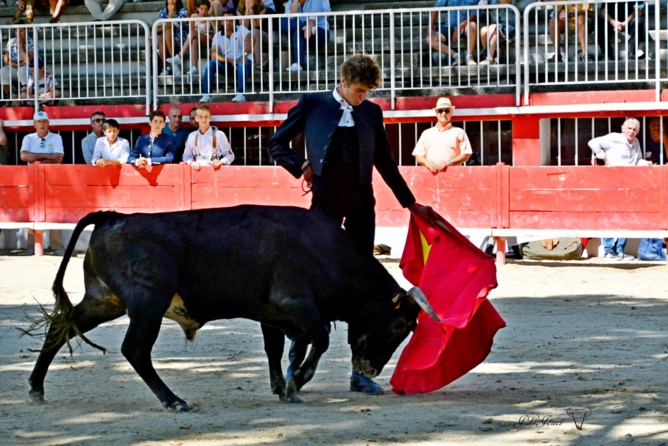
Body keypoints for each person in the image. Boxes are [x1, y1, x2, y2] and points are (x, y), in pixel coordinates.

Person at [266, 53, 440, 396]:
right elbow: (275, 144)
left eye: (368, 91)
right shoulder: (312, 103)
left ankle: (358, 373)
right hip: (324, 204)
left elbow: (386, 163)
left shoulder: (372, 112)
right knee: (309, 281)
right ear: (343, 82)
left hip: (361, 204)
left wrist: (410, 203)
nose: (363, 97)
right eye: (359, 90)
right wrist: (300, 165)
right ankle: (294, 361)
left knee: (362, 287)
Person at [588, 118, 651, 261]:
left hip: (628, 185)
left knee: (627, 216)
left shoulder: (635, 142)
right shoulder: (614, 138)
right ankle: (609, 251)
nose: (631, 131)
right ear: (623, 129)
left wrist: (647, 163)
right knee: (610, 215)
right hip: (612, 184)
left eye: (634, 129)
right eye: (629, 128)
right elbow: (592, 143)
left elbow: (637, 161)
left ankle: (620, 250)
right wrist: (604, 159)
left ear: (638, 132)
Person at [198, 9, 253, 103]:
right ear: (222, 22)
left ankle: (241, 94)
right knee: (209, 64)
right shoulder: (218, 35)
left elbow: (252, 39)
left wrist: (244, 54)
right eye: (226, 20)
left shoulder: (241, 29)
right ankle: (206, 95)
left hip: (243, 63)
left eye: (231, 20)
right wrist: (230, 61)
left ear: (234, 21)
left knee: (241, 62)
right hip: (227, 64)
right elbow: (214, 53)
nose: (228, 22)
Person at [412, 97, 472, 173]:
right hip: (430, 176)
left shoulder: (459, 132)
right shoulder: (426, 133)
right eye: (440, 111)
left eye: (447, 111)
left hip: (453, 177)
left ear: (451, 113)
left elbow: (465, 155)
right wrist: (427, 163)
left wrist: (448, 163)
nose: (443, 113)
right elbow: (418, 156)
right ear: (436, 113)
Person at [281, 0, 331, 72]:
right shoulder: (291, 1)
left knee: (297, 33)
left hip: (319, 31)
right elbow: (290, 16)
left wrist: (309, 27)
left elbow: (313, 18)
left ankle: (298, 63)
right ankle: (302, 27)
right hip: (303, 31)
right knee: (283, 21)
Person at [167, 0, 213, 76]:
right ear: (197, 8)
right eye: (201, 9)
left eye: (206, 9)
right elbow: (192, 30)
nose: (204, 11)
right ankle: (194, 67)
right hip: (197, 38)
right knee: (194, 40)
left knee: (193, 33)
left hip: (208, 39)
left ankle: (180, 56)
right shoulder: (194, 16)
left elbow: (216, 31)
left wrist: (207, 33)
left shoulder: (210, 18)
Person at [426, 0, 479, 66]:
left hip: (465, 26)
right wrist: (430, 27)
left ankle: (469, 57)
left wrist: (460, 27)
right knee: (430, 39)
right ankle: (457, 56)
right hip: (449, 27)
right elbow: (436, 8)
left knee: (473, 25)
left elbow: (473, 15)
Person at [182, 105, 235, 169]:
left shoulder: (219, 135)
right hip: (197, 173)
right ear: (196, 118)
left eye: (206, 117)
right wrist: (192, 162)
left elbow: (230, 155)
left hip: (215, 173)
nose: (203, 119)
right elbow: (186, 156)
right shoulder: (191, 136)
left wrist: (220, 162)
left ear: (210, 118)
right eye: (201, 117)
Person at [1, 21, 33, 104]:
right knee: (3, 70)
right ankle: (8, 98)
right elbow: (6, 61)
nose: (19, 33)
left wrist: (21, 47)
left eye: (21, 31)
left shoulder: (31, 42)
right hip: (15, 67)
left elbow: (27, 61)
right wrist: (18, 65)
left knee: (23, 69)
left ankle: (26, 97)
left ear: (26, 31)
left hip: (29, 70)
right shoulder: (11, 41)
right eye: (16, 31)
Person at [157, 0, 189, 77]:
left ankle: (174, 64)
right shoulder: (162, 12)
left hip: (180, 40)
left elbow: (169, 26)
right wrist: (159, 29)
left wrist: (171, 14)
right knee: (161, 39)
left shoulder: (183, 11)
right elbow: (160, 27)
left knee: (167, 31)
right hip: (167, 40)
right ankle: (165, 68)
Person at [479, 0, 515, 66]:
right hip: (493, 27)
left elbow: (505, 2)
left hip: (509, 26)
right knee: (483, 30)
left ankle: (489, 58)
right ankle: (493, 54)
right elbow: (481, 6)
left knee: (493, 27)